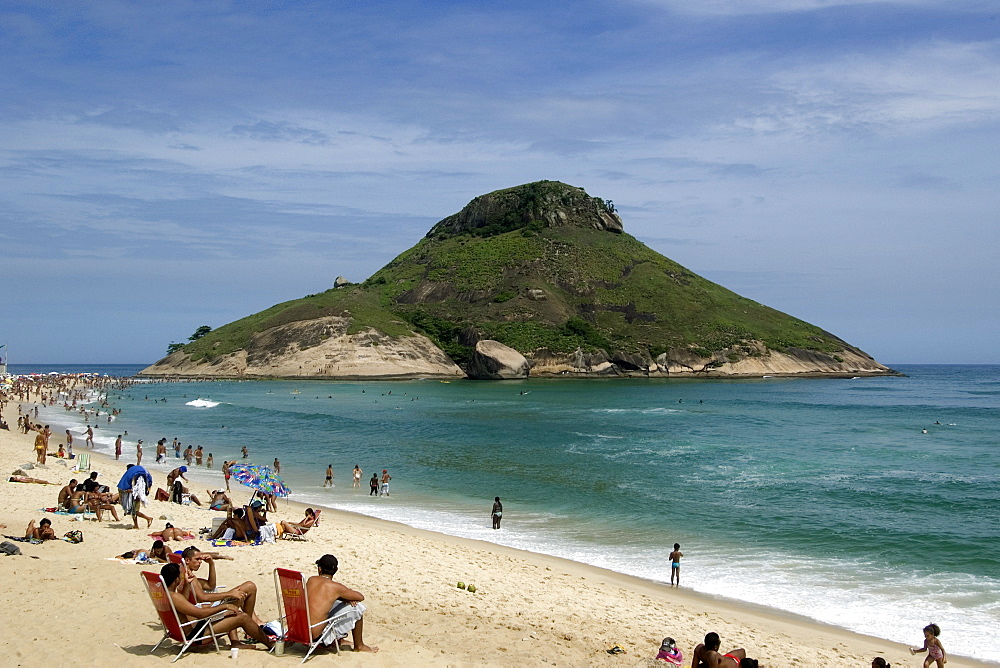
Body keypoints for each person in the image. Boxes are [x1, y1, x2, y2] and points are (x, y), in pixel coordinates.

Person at [158, 562, 273, 649]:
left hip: (191, 629)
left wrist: (187, 584)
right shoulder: (175, 597)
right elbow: (200, 613)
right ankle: (270, 643)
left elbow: (184, 604)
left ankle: (245, 636)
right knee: (243, 617)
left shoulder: (166, 594)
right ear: (176, 579)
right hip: (195, 635)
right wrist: (224, 607)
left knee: (234, 613)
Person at [306, 554, 378, 653]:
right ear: (336, 570)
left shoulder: (311, 580)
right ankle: (359, 646)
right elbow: (360, 597)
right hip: (315, 636)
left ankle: (340, 640)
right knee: (358, 607)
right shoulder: (335, 587)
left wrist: (342, 597)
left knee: (329, 607)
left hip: (301, 630)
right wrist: (346, 597)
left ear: (319, 569)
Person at [117, 464, 153, 529]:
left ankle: (148, 518)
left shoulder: (135, 477)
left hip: (135, 496)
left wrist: (129, 490)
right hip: (135, 495)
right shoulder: (136, 476)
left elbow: (135, 487)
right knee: (133, 511)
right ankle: (136, 525)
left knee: (135, 511)